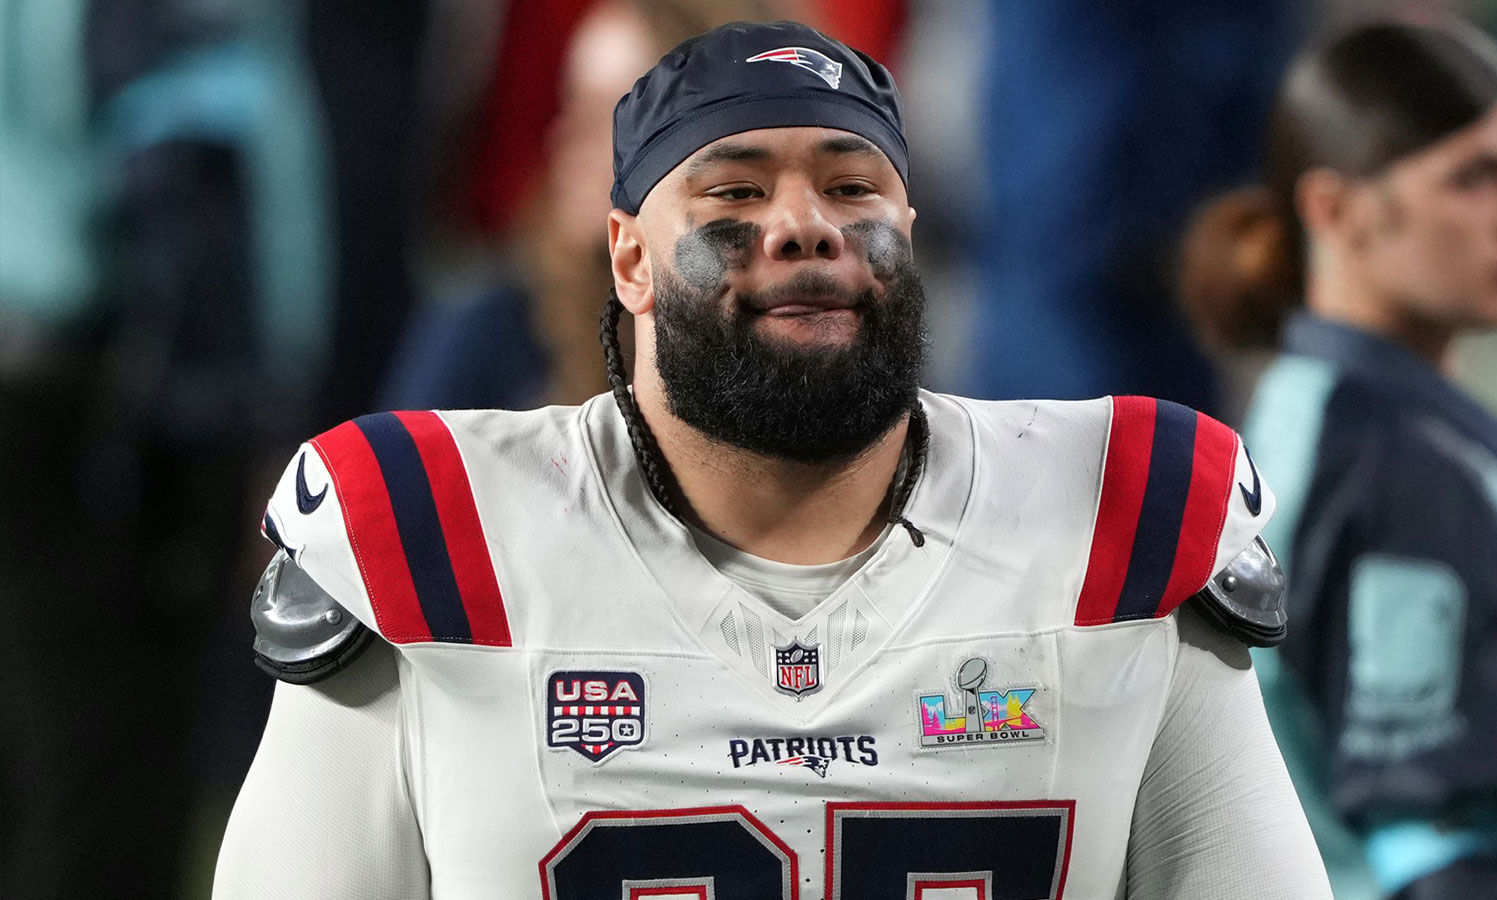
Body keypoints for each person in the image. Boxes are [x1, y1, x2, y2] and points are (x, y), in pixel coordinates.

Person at [213, 20, 1332, 898]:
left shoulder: (1119, 515)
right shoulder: (423, 527)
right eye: (734, 191)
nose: (805, 225)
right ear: (629, 258)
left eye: (851, 188)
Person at [1180, 19, 1497, 900]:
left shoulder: (1342, 417)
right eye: (1476, 176)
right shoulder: (1384, 468)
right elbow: (1443, 852)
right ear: (1336, 210)